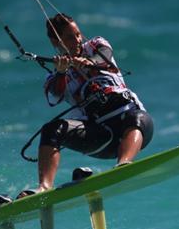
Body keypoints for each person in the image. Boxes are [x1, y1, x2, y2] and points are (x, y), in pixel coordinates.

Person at [17, 13, 154, 199]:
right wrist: (62, 72)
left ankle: (123, 164)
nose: (77, 40)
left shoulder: (95, 44)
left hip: (132, 125)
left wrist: (89, 63)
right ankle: (44, 187)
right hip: (100, 137)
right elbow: (56, 92)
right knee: (51, 129)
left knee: (135, 117)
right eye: (69, 37)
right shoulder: (53, 76)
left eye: (78, 34)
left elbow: (104, 57)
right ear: (55, 42)